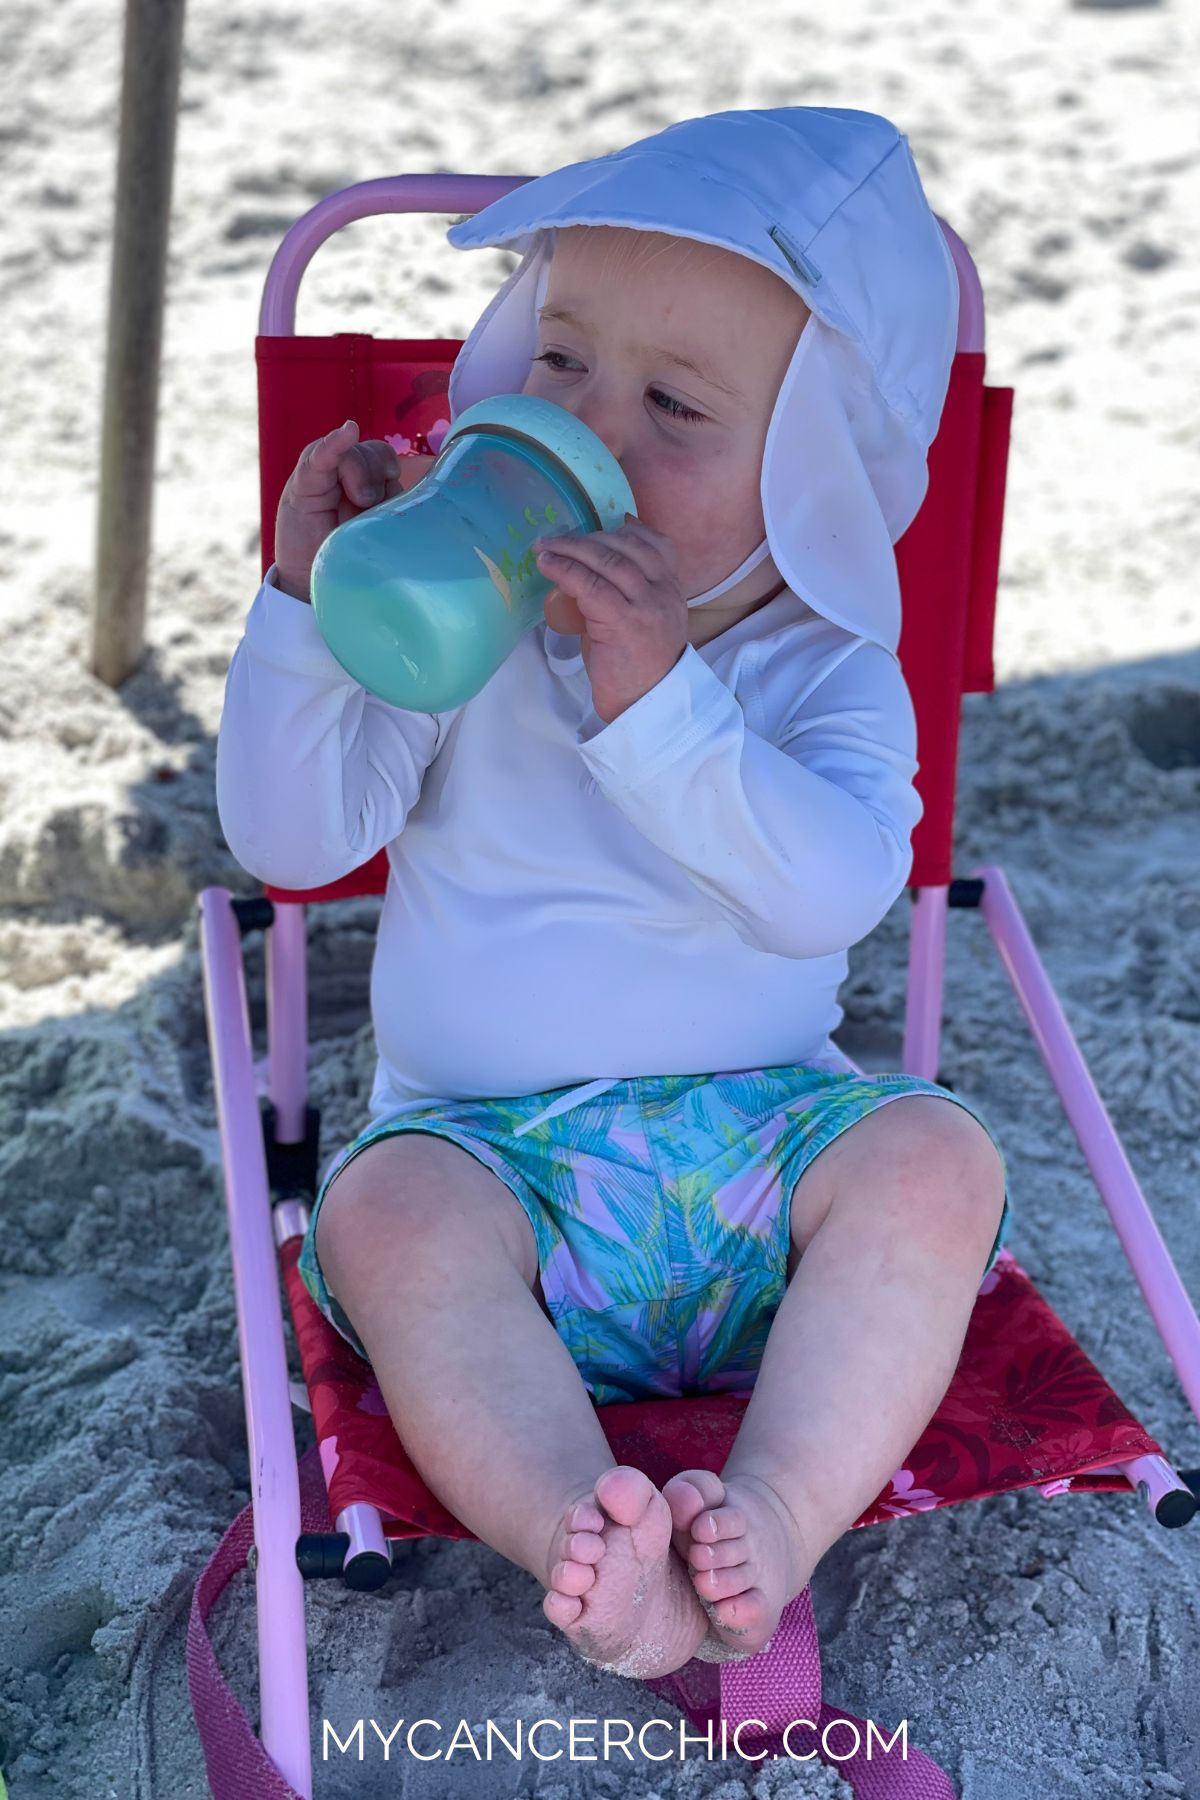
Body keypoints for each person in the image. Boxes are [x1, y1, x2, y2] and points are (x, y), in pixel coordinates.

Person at [216, 107, 1012, 1681]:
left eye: (674, 407)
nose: (588, 427)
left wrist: (660, 706)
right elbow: (295, 844)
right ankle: (586, 1530)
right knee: (382, 1211)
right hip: (490, 1168)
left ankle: (774, 1511)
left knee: (935, 1158)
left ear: (814, 480)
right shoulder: (470, 625)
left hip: (766, 1167)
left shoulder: (829, 670)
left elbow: (825, 896)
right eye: (561, 360)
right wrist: (310, 612)